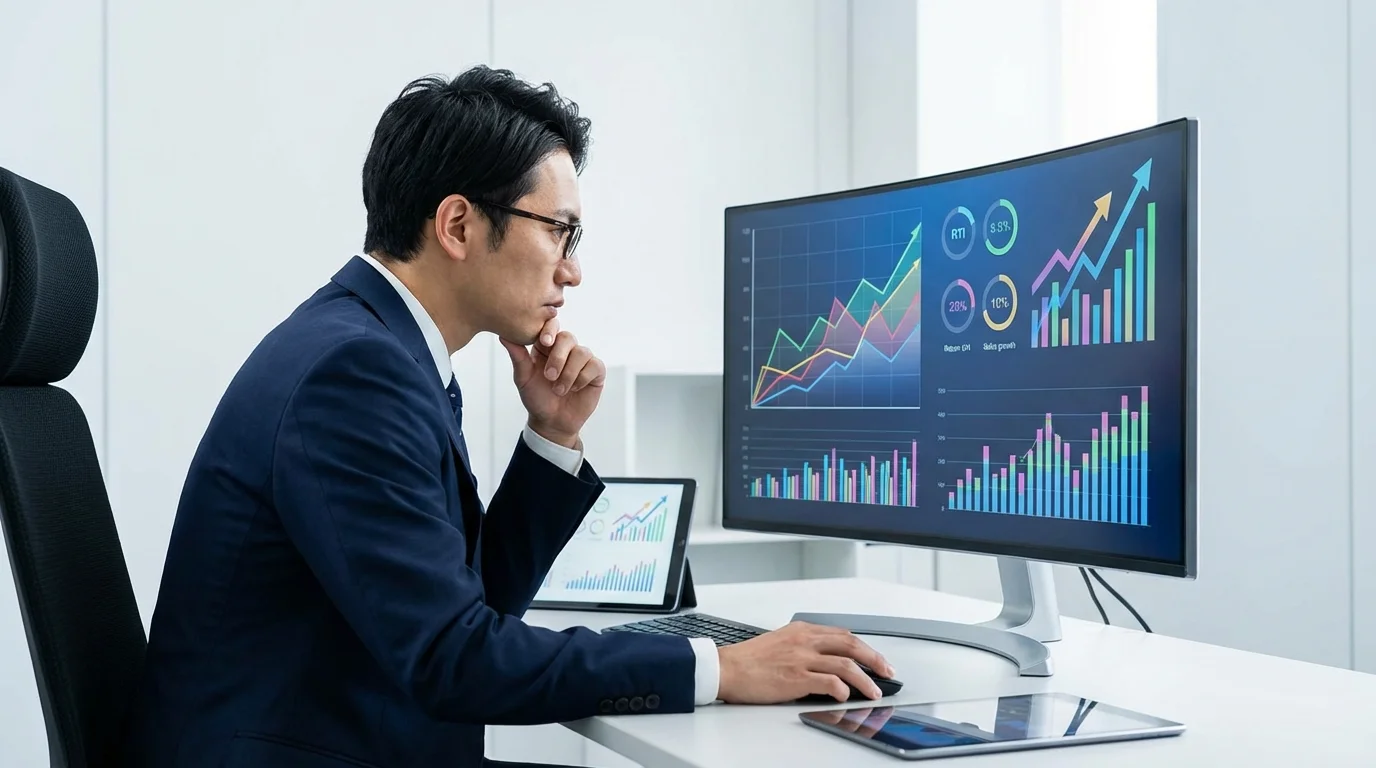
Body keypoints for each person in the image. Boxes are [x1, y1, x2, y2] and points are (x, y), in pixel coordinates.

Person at [120, 65, 894, 768]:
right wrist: (720, 668)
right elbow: (455, 659)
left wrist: (552, 435)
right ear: (457, 226)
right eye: (560, 230)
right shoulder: (353, 374)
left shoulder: (379, 347)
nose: (574, 269)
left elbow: (468, 607)